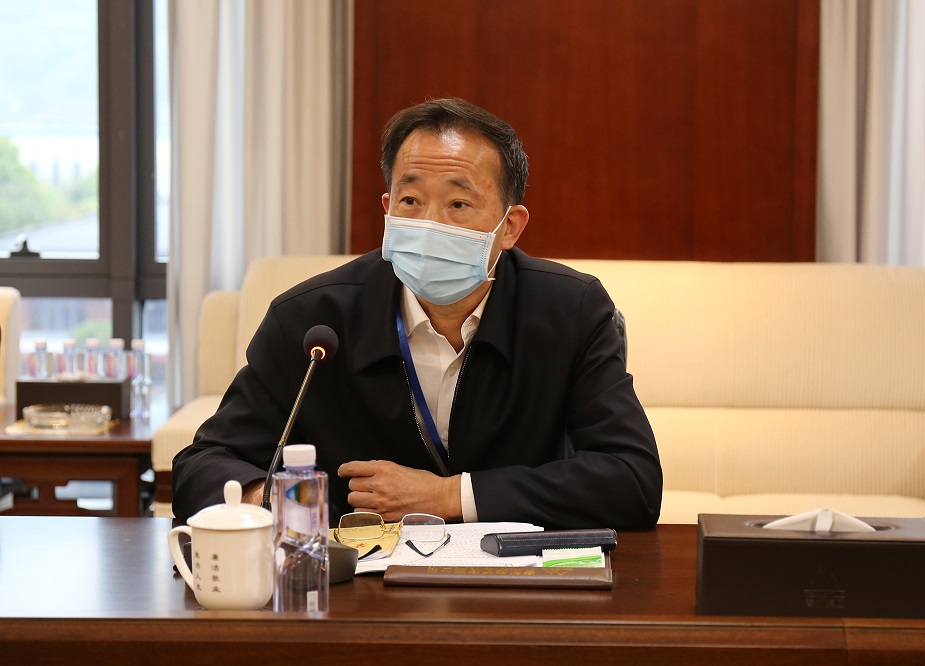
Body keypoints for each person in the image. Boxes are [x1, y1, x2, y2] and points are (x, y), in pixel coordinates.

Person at [171, 97, 662, 529]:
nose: (429, 224)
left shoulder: (570, 312)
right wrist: (279, 502)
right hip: (356, 582)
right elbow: (202, 465)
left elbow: (633, 481)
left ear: (510, 227)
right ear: (388, 210)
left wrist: (449, 496)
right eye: (410, 200)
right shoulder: (311, 320)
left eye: (458, 203)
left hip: (515, 578)